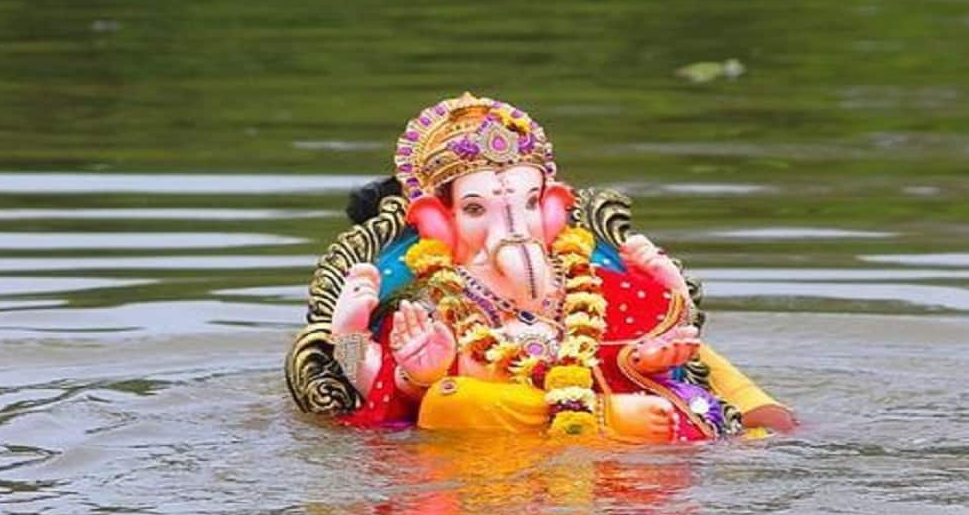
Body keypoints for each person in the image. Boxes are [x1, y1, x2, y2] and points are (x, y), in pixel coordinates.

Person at [323, 92, 796, 442]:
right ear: (437, 220)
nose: (512, 226)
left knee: (707, 377)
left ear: (552, 205)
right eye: (474, 209)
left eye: (529, 203)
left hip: (617, 434)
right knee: (450, 399)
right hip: (507, 447)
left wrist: (655, 331)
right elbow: (392, 405)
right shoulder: (430, 298)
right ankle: (604, 421)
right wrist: (403, 366)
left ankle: (756, 421)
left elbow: (661, 343)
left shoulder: (584, 277)